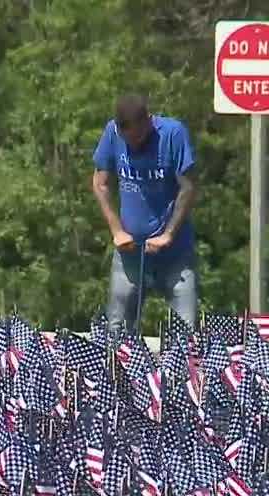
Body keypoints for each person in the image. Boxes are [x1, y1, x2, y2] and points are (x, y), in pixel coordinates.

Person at [91, 94, 199, 333]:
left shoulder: (172, 134)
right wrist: (116, 230)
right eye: (128, 139)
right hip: (130, 251)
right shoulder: (112, 133)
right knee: (116, 330)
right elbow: (100, 183)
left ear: (149, 121)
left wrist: (168, 234)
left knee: (187, 332)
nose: (134, 144)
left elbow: (189, 187)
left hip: (175, 254)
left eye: (138, 137)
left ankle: (182, 370)